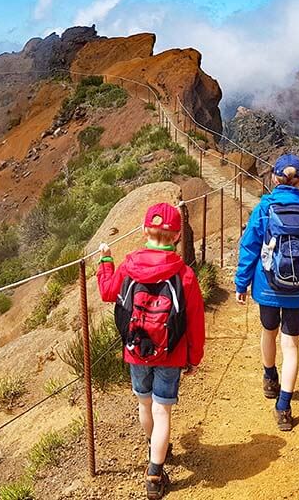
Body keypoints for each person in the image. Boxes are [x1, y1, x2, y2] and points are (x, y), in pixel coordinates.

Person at [97, 202, 205, 499]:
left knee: (145, 406)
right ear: (177, 236)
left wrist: (105, 261)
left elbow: (108, 292)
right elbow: (195, 321)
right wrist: (193, 357)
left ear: (145, 230)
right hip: (170, 353)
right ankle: (155, 474)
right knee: (163, 410)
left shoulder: (129, 264)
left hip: (136, 350)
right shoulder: (184, 275)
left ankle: (154, 447)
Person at [234, 154, 299, 432]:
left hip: (267, 286)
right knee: (292, 345)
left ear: (274, 179)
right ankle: (284, 407)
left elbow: (248, 247)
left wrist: (242, 283)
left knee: (268, 332)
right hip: (298, 288)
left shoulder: (264, 207)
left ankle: (269, 377)